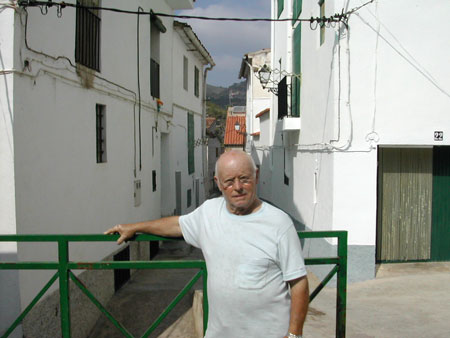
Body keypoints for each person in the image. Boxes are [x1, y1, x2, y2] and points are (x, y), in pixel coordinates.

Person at [105, 150, 309, 338]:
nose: (237, 187)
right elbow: (176, 224)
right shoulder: (209, 212)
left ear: (256, 176)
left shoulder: (279, 223)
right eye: (229, 181)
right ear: (218, 183)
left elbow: (298, 283)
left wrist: (294, 334)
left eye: (244, 179)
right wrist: (135, 227)